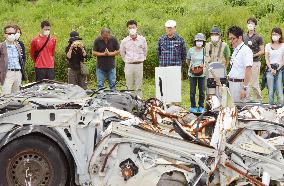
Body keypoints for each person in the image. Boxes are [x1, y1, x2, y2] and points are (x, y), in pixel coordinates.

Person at [120, 20, 148, 97]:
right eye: (130, 28)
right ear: (127, 29)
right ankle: (130, 101)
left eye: (133, 27)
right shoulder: (124, 41)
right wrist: (126, 60)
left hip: (139, 64)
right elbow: (122, 52)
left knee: (138, 85)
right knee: (129, 85)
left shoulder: (142, 39)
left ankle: (139, 102)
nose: (132, 29)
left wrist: (142, 59)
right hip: (129, 65)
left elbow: (145, 50)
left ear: (136, 28)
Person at [227, 26, 253, 103]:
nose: (231, 41)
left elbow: (248, 70)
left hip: (240, 85)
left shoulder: (245, 50)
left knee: (241, 110)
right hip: (232, 84)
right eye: (230, 39)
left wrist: (244, 88)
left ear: (240, 37)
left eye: (233, 38)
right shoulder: (236, 50)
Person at [0, 25, 26, 95]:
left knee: (16, 96)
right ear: (5, 34)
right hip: (7, 73)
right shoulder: (1, 46)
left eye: (13, 33)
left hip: (18, 73)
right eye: (9, 33)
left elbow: (22, 59)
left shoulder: (18, 45)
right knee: (6, 95)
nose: (12, 35)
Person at [243, 17, 264, 103]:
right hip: (245, 63)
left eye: (252, 23)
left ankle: (259, 100)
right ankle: (247, 100)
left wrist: (253, 55)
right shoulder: (244, 36)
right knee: (246, 82)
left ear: (255, 25)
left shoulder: (259, 37)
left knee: (254, 83)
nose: (250, 25)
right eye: (249, 23)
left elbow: (262, 51)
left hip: (255, 62)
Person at [264, 27, 284, 108]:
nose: (274, 36)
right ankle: (270, 105)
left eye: (275, 34)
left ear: (280, 35)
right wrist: (271, 68)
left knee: (279, 88)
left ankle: (280, 105)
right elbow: (266, 58)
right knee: (271, 89)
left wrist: (277, 69)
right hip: (270, 69)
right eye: (272, 34)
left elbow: (283, 59)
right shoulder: (268, 45)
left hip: (279, 69)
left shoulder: (283, 46)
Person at [187, 33, 206, 113]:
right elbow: (187, 60)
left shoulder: (205, 50)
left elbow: (207, 60)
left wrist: (203, 65)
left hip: (202, 73)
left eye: (201, 40)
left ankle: (201, 106)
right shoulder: (191, 50)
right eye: (197, 40)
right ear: (195, 41)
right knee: (192, 91)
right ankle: (193, 106)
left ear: (203, 41)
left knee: (202, 91)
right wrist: (192, 67)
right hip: (192, 73)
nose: (199, 42)